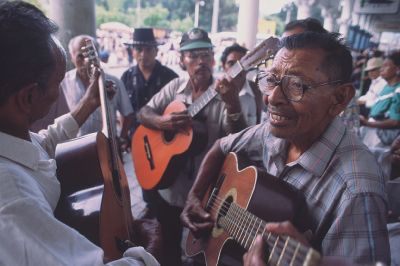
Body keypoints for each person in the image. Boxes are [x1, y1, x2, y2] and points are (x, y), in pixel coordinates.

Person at [181, 32, 390, 265]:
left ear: (340, 99)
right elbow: (221, 146)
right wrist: (196, 195)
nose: (272, 97)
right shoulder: (275, 131)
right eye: (271, 80)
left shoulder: (357, 191)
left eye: (296, 85)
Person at [0, 1, 159, 265]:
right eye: (56, 83)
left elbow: (43, 145)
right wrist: (149, 253)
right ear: (27, 97)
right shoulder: (14, 198)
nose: (58, 91)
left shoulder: (11, 136)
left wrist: (88, 102)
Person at [137, 27, 247, 265]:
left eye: (205, 55)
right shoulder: (174, 87)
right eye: (193, 55)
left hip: (206, 194)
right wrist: (161, 121)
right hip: (169, 188)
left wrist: (233, 103)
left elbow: (238, 140)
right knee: (167, 249)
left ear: (213, 58)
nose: (200, 61)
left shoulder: (223, 94)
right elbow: (143, 112)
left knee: (202, 254)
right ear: (181, 60)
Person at [121, 28, 178, 219]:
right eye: (138, 50)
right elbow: (125, 111)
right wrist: (125, 135)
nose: (143, 54)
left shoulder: (170, 77)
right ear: (133, 51)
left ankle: (160, 209)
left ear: (156, 51)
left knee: (162, 177)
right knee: (143, 175)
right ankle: (149, 206)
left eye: (147, 49)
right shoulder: (127, 77)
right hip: (137, 138)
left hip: (162, 139)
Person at [62, 34, 134, 150]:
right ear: (72, 56)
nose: (86, 62)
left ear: (97, 56)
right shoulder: (63, 83)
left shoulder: (113, 82)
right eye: (80, 56)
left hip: (107, 148)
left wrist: (121, 139)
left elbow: (128, 113)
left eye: (89, 57)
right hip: (75, 150)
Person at [220, 43, 263, 125]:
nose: (237, 69)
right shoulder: (215, 91)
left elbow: (258, 125)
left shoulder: (255, 90)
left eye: (242, 64)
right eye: (231, 63)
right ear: (223, 66)